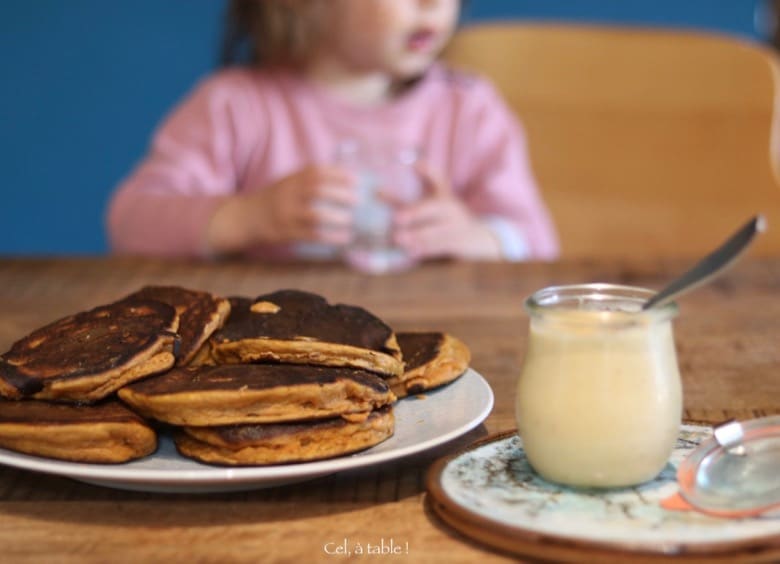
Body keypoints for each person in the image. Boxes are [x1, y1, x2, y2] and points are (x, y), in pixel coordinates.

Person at [106, 0, 559, 264]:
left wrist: (479, 236)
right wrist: (247, 218)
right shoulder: (235, 106)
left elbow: (539, 244)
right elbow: (130, 223)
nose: (433, 4)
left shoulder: (469, 108)